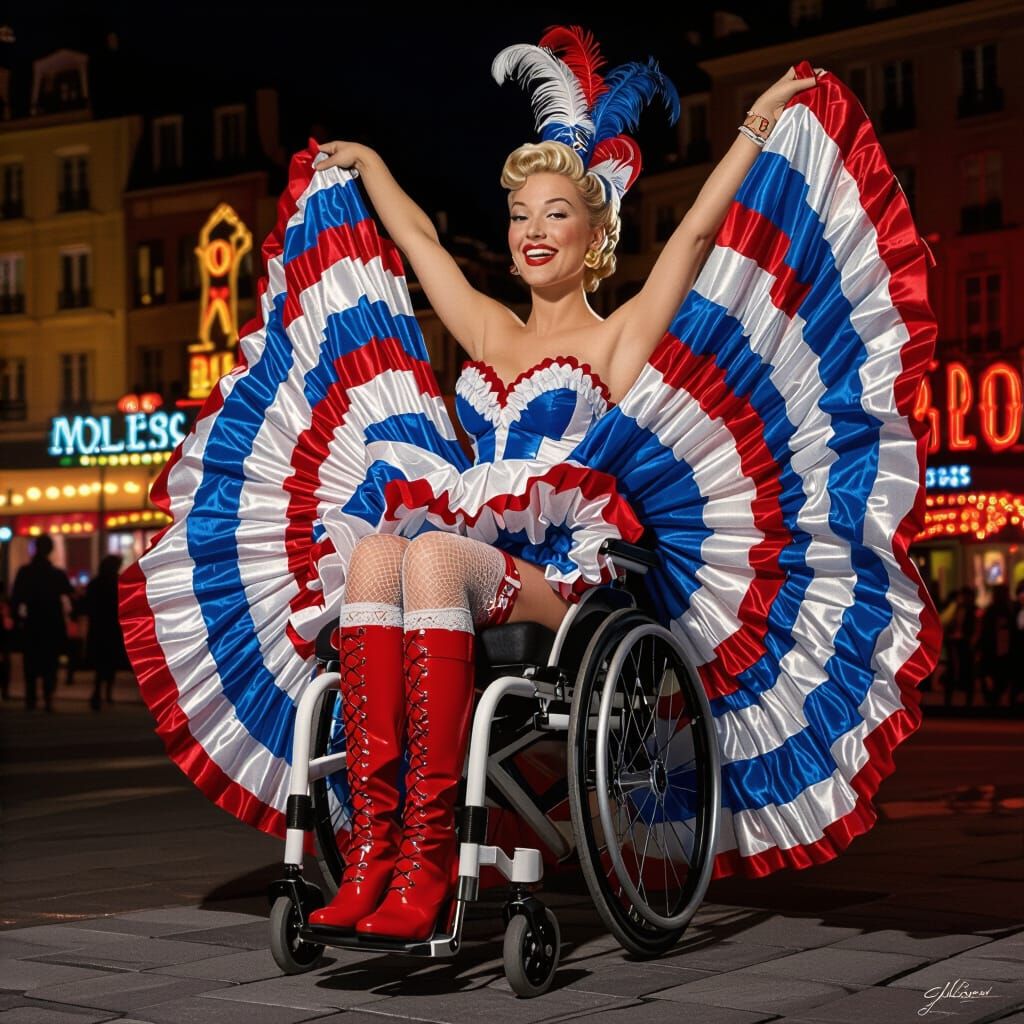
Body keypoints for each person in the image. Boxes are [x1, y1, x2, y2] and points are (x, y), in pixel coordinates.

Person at [120, 27, 939, 944]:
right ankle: (377, 853)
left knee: (423, 552)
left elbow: (702, 232)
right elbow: (421, 239)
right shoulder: (490, 333)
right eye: (519, 215)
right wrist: (375, 165)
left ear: (596, 237)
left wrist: (755, 121)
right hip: (466, 562)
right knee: (375, 551)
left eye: (556, 214)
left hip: (572, 588)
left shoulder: (616, 338)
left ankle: (429, 860)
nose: (532, 231)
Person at [11, 535, 73, 712]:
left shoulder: (25, 572)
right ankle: (47, 696)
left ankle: (31, 698)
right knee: (50, 663)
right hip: (52, 623)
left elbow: (16, 599)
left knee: (31, 663)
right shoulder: (56, 574)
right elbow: (69, 593)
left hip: (33, 622)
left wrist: (18, 621)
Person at [84, 555, 126, 711]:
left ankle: (98, 692)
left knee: (100, 663)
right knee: (110, 662)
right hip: (113, 627)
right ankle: (107, 693)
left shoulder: (95, 584)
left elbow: (87, 605)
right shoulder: (119, 582)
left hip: (98, 627)